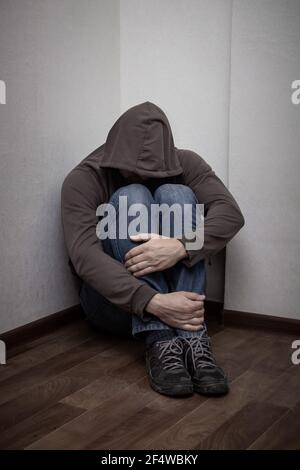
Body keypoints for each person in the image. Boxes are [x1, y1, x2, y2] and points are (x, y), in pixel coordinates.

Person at [61, 101, 244, 397]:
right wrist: (153, 301)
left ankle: (192, 338)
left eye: (150, 170)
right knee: (131, 195)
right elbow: (84, 256)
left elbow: (230, 214)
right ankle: (159, 338)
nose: (141, 176)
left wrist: (181, 246)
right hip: (114, 306)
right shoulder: (83, 179)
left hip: (184, 308)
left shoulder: (187, 163)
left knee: (178, 193)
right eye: (131, 169)